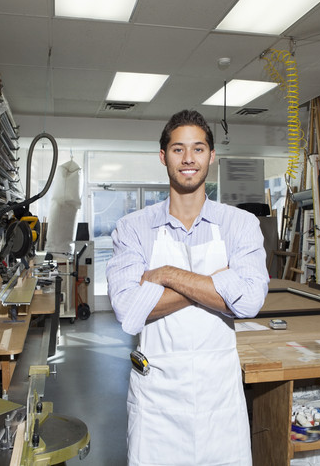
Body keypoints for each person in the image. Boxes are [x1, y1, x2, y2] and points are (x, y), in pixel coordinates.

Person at [106, 109, 270, 465]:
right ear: (163, 157)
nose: (188, 159)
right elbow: (130, 312)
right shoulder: (133, 228)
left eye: (198, 149)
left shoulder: (239, 224)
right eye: (178, 149)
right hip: (157, 397)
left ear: (212, 157)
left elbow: (249, 301)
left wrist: (166, 274)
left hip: (220, 397)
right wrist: (217, 282)